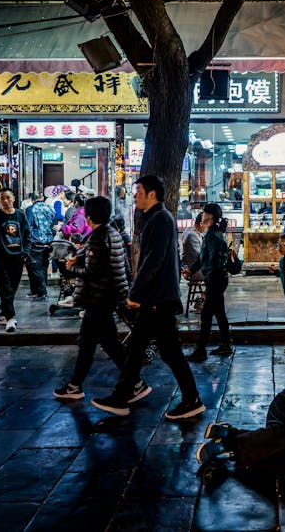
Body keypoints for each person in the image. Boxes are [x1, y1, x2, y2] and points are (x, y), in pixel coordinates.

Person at [92, 175, 205, 421]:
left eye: (138, 191)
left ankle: (191, 398)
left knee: (167, 351)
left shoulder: (160, 219)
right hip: (155, 298)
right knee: (138, 348)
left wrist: (136, 293)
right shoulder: (155, 218)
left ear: (152, 194)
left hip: (157, 299)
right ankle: (123, 395)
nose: (134, 196)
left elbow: (153, 260)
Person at [54, 196, 131, 400]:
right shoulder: (112, 233)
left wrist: (71, 268)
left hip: (99, 297)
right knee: (92, 343)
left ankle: (134, 382)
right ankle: (75, 384)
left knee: (108, 344)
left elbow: (93, 271)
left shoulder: (98, 238)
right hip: (107, 296)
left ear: (88, 217)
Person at [185, 203, 233, 361]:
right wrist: (191, 270)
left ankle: (201, 350)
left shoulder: (213, 235)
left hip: (216, 279)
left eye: (204, 212)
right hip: (217, 279)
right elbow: (202, 257)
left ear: (210, 216)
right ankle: (226, 345)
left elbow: (212, 261)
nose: (202, 214)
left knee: (206, 315)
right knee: (219, 313)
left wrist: (209, 281)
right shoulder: (212, 233)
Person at [0, 188, 31, 332]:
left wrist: (26, 253)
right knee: (5, 286)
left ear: (14, 198)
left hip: (18, 257)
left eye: (8, 198)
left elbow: (27, 235)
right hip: (2, 258)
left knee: (13, 286)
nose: (5, 201)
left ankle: (4, 312)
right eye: (2, 198)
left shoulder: (20, 215)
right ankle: (11, 318)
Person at [24, 192, 56, 301]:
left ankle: (42, 292)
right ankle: (40, 290)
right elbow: (54, 223)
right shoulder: (50, 208)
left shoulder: (30, 209)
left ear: (31, 199)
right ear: (42, 198)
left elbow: (28, 226)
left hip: (35, 242)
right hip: (48, 242)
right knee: (43, 267)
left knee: (35, 268)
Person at [180, 213, 206, 282]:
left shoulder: (189, 230)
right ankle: (209, 292)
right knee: (218, 274)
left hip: (192, 266)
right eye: (206, 225)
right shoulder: (192, 235)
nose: (207, 228)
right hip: (193, 270)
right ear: (201, 224)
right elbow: (199, 257)